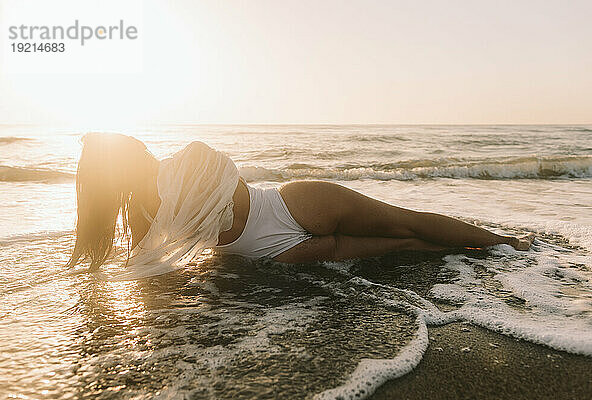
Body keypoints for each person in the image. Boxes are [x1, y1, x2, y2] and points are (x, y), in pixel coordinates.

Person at [67, 133, 534, 276]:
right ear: (139, 151)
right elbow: (225, 177)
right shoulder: (189, 160)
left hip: (272, 252)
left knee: (403, 244)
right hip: (295, 204)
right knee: (403, 223)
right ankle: (506, 244)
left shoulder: (145, 216)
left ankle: (484, 250)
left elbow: (157, 274)